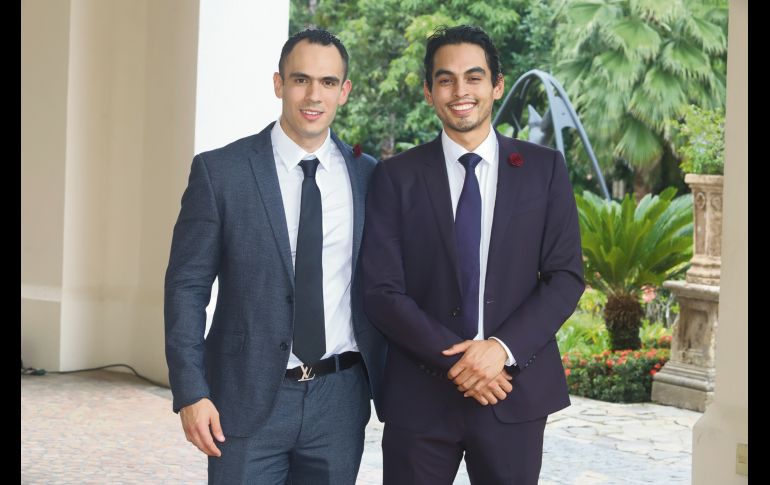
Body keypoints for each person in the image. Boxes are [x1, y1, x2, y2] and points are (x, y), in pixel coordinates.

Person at [361, 25, 585, 485]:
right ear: (429, 92)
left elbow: (565, 277)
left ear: (497, 85)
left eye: (474, 77)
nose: (460, 91)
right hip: (419, 398)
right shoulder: (395, 176)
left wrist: (500, 350)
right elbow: (381, 291)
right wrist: (459, 362)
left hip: (513, 392)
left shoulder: (544, 169)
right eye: (445, 79)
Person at [164, 28, 386, 484]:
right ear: (278, 83)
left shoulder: (369, 177)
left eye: (328, 82)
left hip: (339, 401)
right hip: (244, 397)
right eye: (301, 79)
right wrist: (190, 391)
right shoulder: (220, 172)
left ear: (344, 91)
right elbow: (186, 287)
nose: (313, 95)